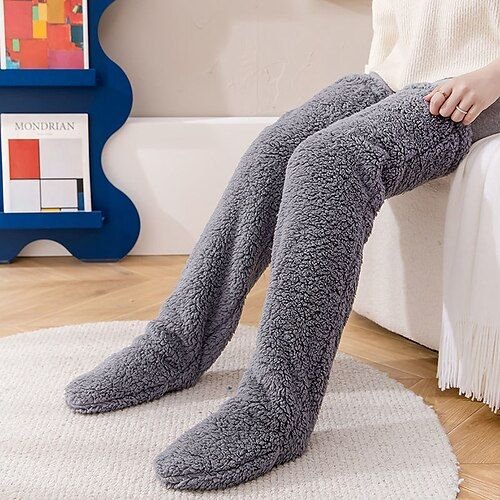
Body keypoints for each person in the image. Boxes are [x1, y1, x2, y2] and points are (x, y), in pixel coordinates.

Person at [65, 0, 500, 491]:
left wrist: (490, 77)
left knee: (329, 165)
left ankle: (277, 405)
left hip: (479, 87)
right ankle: (179, 341)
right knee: (272, 152)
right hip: (398, 71)